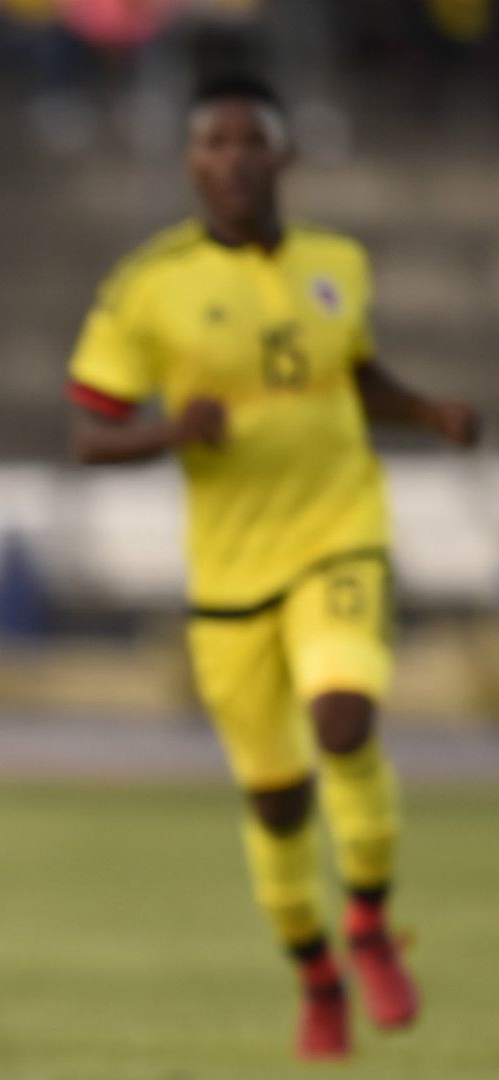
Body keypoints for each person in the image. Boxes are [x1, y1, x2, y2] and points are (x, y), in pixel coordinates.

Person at [66, 74, 480, 1061]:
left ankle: (372, 923)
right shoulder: (149, 285)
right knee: (279, 800)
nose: (234, 158)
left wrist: (425, 412)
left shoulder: (339, 262)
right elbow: (90, 433)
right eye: (214, 142)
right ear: (192, 162)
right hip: (229, 576)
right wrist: (175, 430)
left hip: (340, 532)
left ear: (284, 157)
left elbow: (350, 372)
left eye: (252, 141)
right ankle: (318, 974)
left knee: (345, 717)